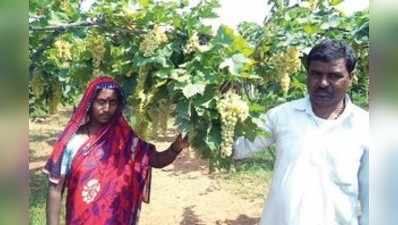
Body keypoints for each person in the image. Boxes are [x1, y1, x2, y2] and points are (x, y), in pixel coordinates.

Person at [233, 39, 369, 225]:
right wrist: (204, 129)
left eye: (334, 76)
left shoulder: (366, 126)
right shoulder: (281, 116)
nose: (322, 83)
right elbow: (237, 148)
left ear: (350, 78)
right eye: (316, 74)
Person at [43, 76, 189, 225]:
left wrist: (176, 148)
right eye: (101, 102)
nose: (106, 108)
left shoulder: (126, 139)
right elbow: (55, 188)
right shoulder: (72, 142)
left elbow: (156, 160)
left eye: (112, 102)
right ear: (90, 102)